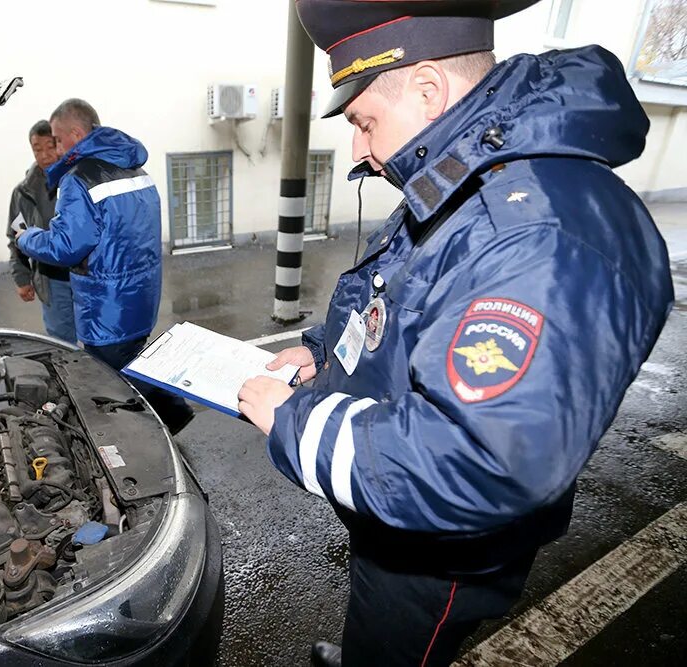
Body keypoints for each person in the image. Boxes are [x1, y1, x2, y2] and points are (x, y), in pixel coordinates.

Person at [237, 1, 674, 665]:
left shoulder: (533, 233)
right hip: (395, 504)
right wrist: (323, 351)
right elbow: (405, 294)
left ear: (428, 91)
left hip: (438, 556)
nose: (359, 149)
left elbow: (480, 460)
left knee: (399, 646)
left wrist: (294, 421)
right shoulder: (468, 174)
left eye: (363, 122)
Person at [17, 99, 194, 434]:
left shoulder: (79, 179)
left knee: (111, 380)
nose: (55, 147)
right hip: (141, 297)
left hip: (106, 308)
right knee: (133, 361)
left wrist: (26, 238)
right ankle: (172, 415)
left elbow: (66, 245)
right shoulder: (135, 170)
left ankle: (153, 430)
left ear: (75, 133)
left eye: (56, 138)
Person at [6, 120, 77, 344]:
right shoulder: (23, 193)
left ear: (60, 145)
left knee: (100, 341)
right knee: (63, 343)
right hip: (52, 279)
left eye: (50, 146)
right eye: (38, 149)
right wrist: (22, 278)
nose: (45, 155)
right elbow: (15, 236)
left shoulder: (78, 180)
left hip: (88, 275)